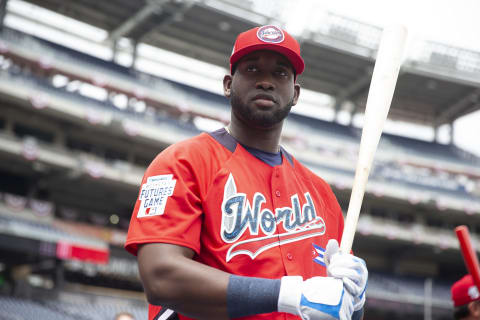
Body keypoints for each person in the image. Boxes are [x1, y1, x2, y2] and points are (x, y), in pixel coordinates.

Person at [125, 25, 368, 320]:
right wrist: (289, 296)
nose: (265, 82)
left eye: (280, 73)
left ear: (296, 93)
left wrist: (355, 301)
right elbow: (160, 277)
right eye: (252, 69)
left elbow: (339, 311)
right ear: (228, 84)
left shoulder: (321, 194)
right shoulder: (182, 162)